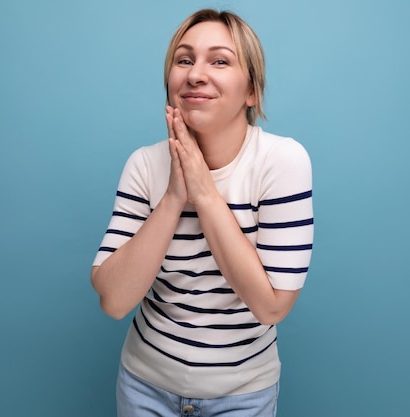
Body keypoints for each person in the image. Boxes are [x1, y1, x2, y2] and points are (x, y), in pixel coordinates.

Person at [91, 8, 314, 417]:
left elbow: (271, 307)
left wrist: (205, 193)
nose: (195, 74)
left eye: (220, 60)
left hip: (243, 396)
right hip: (144, 388)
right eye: (184, 59)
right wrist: (175, 196)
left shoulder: (282, 162)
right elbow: (114, 301)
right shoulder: (144, 165)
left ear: (252, 92)